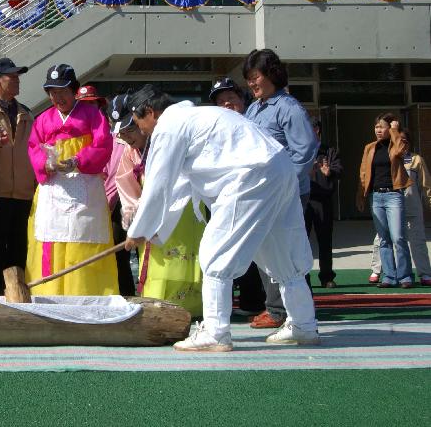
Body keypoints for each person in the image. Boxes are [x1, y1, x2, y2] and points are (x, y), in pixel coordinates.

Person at [125, 85, 319, 351]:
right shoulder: (196, 119)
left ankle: (215, 332)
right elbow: (179, 187)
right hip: (277, 168)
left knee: (215, 254)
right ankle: (304, 324)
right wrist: (150, 232)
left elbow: (159, 184)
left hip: (250, 176)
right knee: (282, 252)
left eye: (138, 123)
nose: (142, 131)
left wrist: (139, 231)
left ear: (148, 112)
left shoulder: (170, 126)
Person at [26, 64, 118, 296]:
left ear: (74, 90)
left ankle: (87, 294)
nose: (58, 97)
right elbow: (33, 148)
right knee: (51, 239)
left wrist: (78, 160)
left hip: (84, 189)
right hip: (53, 189)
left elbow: (103, 145)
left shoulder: (93, 115)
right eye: (53, 92)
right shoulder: (43, 119)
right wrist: (47, 164)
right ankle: (50, 293)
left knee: (83, 240)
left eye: (63, 91)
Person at [243, 49, 318, 329]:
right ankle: (277, 309)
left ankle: (290, 311)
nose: (252, 83)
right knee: (268, 249)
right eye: (249, 78)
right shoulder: (254, 108)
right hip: (263, 193)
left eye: (256, 76)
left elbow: (306, 149)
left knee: (289, 249)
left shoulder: (289, 108)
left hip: (287, 193)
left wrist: (286, 183)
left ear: (272, 75)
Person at [113, 92, 203, 315]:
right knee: (157, 261)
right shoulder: (129, 152)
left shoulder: (166, 137)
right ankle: (159, 306)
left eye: (131, 129)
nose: (128, 137)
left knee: (186, 253)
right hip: (149, 211)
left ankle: (193, 307)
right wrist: (132, 215)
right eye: (122, 134)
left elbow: (168, 180)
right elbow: (126, 185)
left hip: (183, 204)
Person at [0, 57, 36, 296]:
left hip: (23, 191)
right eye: (12, 76)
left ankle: (19, 295)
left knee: (21, 248)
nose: (17, 80)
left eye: (17, 76)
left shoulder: (27, 114)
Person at [208, 77, 264, 316]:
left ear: (242, 101)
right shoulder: (212, 131)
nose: (227, 105)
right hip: (221, 197)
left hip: (253, 195)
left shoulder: (254, 124)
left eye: (231, 99)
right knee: (223, 250)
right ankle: (231, 305)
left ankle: (256, 303)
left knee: (256, 251)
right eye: (221, 101)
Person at [368, 128, 431, 286]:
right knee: (381, 238)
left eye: (404, 140)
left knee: (417, 240)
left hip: (412, 207)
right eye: (397, 139)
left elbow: (426, 185)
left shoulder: (416, 160)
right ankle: (377, 270)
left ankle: (424, 273)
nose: (401, 143)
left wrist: (429, 202)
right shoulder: (389, 156)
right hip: (392, 205)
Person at [357, 113, 413, 288]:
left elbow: (402, 151)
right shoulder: (370, 147)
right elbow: (363, 173)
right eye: (376, 127)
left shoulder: (396, 144)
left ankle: (405, 277)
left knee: (398, 237)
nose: (378, 130)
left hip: (393, 195)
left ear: (390, 128)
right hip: (376, 196)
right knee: (384, 239)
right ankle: (389, 276)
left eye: (382, 127)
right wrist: (360, 195)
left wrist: (396, 131)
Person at [103, 93, 138, 297]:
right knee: (119, 253)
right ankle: (123, 294)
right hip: (115, 203)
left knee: (129, 252)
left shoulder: (141, 137)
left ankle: (130, 295)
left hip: (134, 201)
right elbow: (106, 172)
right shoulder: (111, 138)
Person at [306, 117, 342, 289]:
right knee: (301, 242)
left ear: (317, 130)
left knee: (325, 240)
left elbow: (339, 169)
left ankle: (327, 277)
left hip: (323, 201)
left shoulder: (329, 150)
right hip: (304, 200)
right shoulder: (299, 150)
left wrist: (329, 172)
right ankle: (303, 278)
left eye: (310, 128)